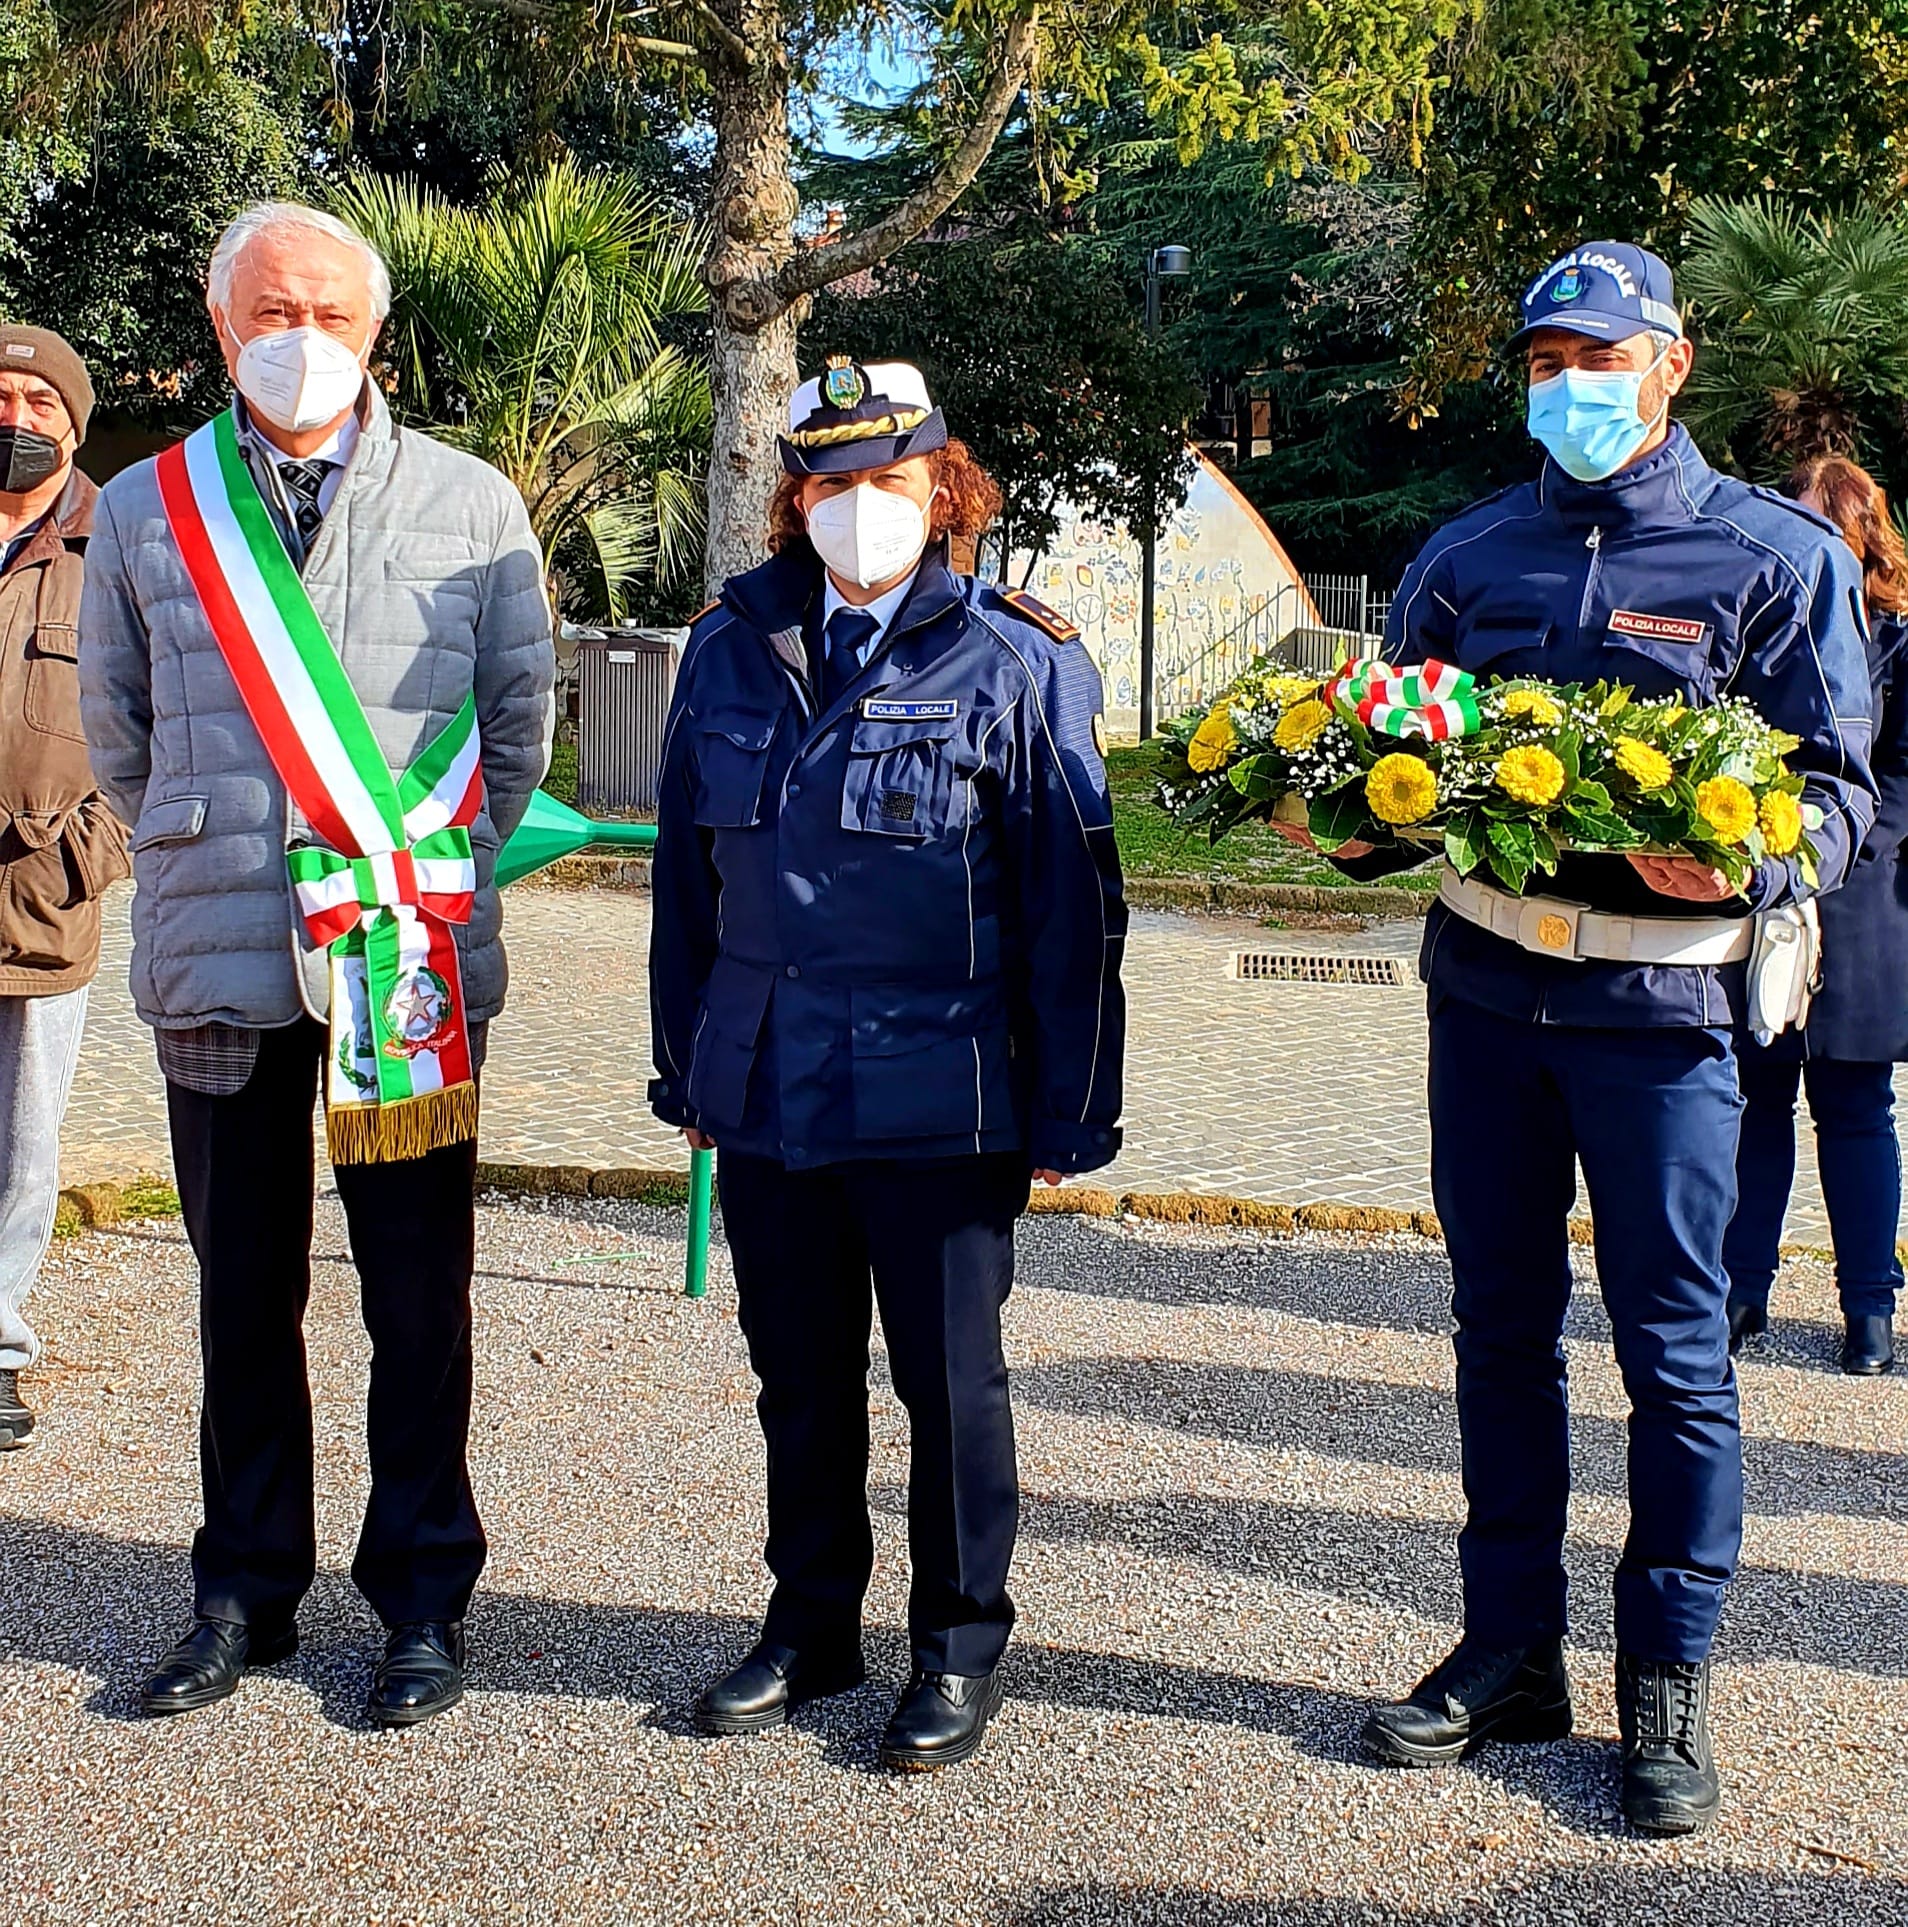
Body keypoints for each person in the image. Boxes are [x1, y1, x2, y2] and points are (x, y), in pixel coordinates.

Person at [1276, 244, 1876, 1834]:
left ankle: (1665, 1680)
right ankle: (1508, 1648)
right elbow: (1405, 755)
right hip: (1486, 1001)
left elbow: (1839, 792)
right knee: (1496, 1328)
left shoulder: (1774, 556)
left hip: (1663, 1016)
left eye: (1599, 357)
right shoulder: (1468, 555)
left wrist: (1758, 855)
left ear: (1671, 363)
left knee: (1676, 1352)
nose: (1570, 386)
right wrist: (1349, 829)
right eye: (1545, 359)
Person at [79, 203, 554, 1726]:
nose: (302, 336)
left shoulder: (473, 503)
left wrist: (407, 869)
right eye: (272, 309)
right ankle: (244, 1588)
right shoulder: (151, 506)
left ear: (374, 332)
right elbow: (117, 730)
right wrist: (216, 835)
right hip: (220, 953)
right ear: (225, 329)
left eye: (331, 313)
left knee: (419, 1298)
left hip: (402, 964)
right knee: (241, 1294)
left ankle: (422, 1597)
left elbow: (518, 717)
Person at [649, 359, 1126, 1770]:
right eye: (834, 483)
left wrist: (1071, 1101)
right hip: (770, 1082)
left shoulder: (1020, 654)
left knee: (949, 1384)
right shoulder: (730, 645)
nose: (863, 508)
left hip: (945, 1087)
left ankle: (959, 1640)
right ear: (800, 496)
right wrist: (689, 1067)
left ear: (943, 489)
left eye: (890, 483)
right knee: (797, 1375)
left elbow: (1071, 904)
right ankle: (812, 1622)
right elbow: (687, 886)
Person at [1725, 455, 1908, 1376]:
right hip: (1767, 887)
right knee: (1755, 1100)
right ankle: (1743, 1287)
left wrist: (1844, 848)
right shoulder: (1767, 626)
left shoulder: (1900, 638)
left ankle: (1869, 1306)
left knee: (1855, 1109)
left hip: (1865, 900)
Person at [0, 328, 130, 1450]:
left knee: (22, 1145)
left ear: (74, 421)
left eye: (41, 398)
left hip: (40, 903)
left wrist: (80, 858)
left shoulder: (117, 547)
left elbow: (163, 738)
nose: (18, 416)